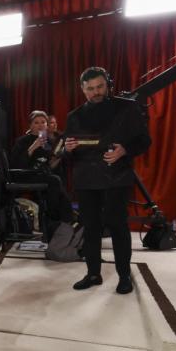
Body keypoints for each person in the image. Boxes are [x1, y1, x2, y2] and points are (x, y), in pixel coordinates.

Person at [64, 66, 151, 295]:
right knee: (91, 229)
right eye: (90, 88)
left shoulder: (127, 107)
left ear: (108, 84)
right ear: (83, 90)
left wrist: (125, 150)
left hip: (117, 177)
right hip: (86, 180)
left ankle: (124, 276)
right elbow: (67, 152)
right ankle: (93, 274)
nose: (96, 92)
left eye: (100, 86)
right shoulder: (73, 116)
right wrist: (68, 149)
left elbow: (144, 141)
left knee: (118, 226)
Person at [10, 110, 74, 224]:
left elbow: (50, 165)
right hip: (25, 174)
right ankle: (55, 218)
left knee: (59, 184)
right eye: (36, 122)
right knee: (55, 181)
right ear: (30, 125)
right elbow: (17, 164)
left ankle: (65, 221)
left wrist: (61, 155)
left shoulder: (48, 142)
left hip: (43, 174)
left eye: (43, 122)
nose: (40, 125)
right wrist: (33, 147)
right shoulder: (21, 141)